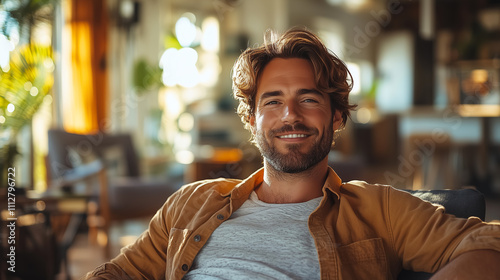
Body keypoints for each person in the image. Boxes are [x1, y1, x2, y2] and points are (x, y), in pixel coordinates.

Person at [85, 28, 500, 280]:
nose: (290, 116)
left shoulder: (380, 209)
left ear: (337, 116)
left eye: (309, 99)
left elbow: (489, 243)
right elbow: (119, 272)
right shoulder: (191, 202)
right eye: (272, 102)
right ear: (251, 120)